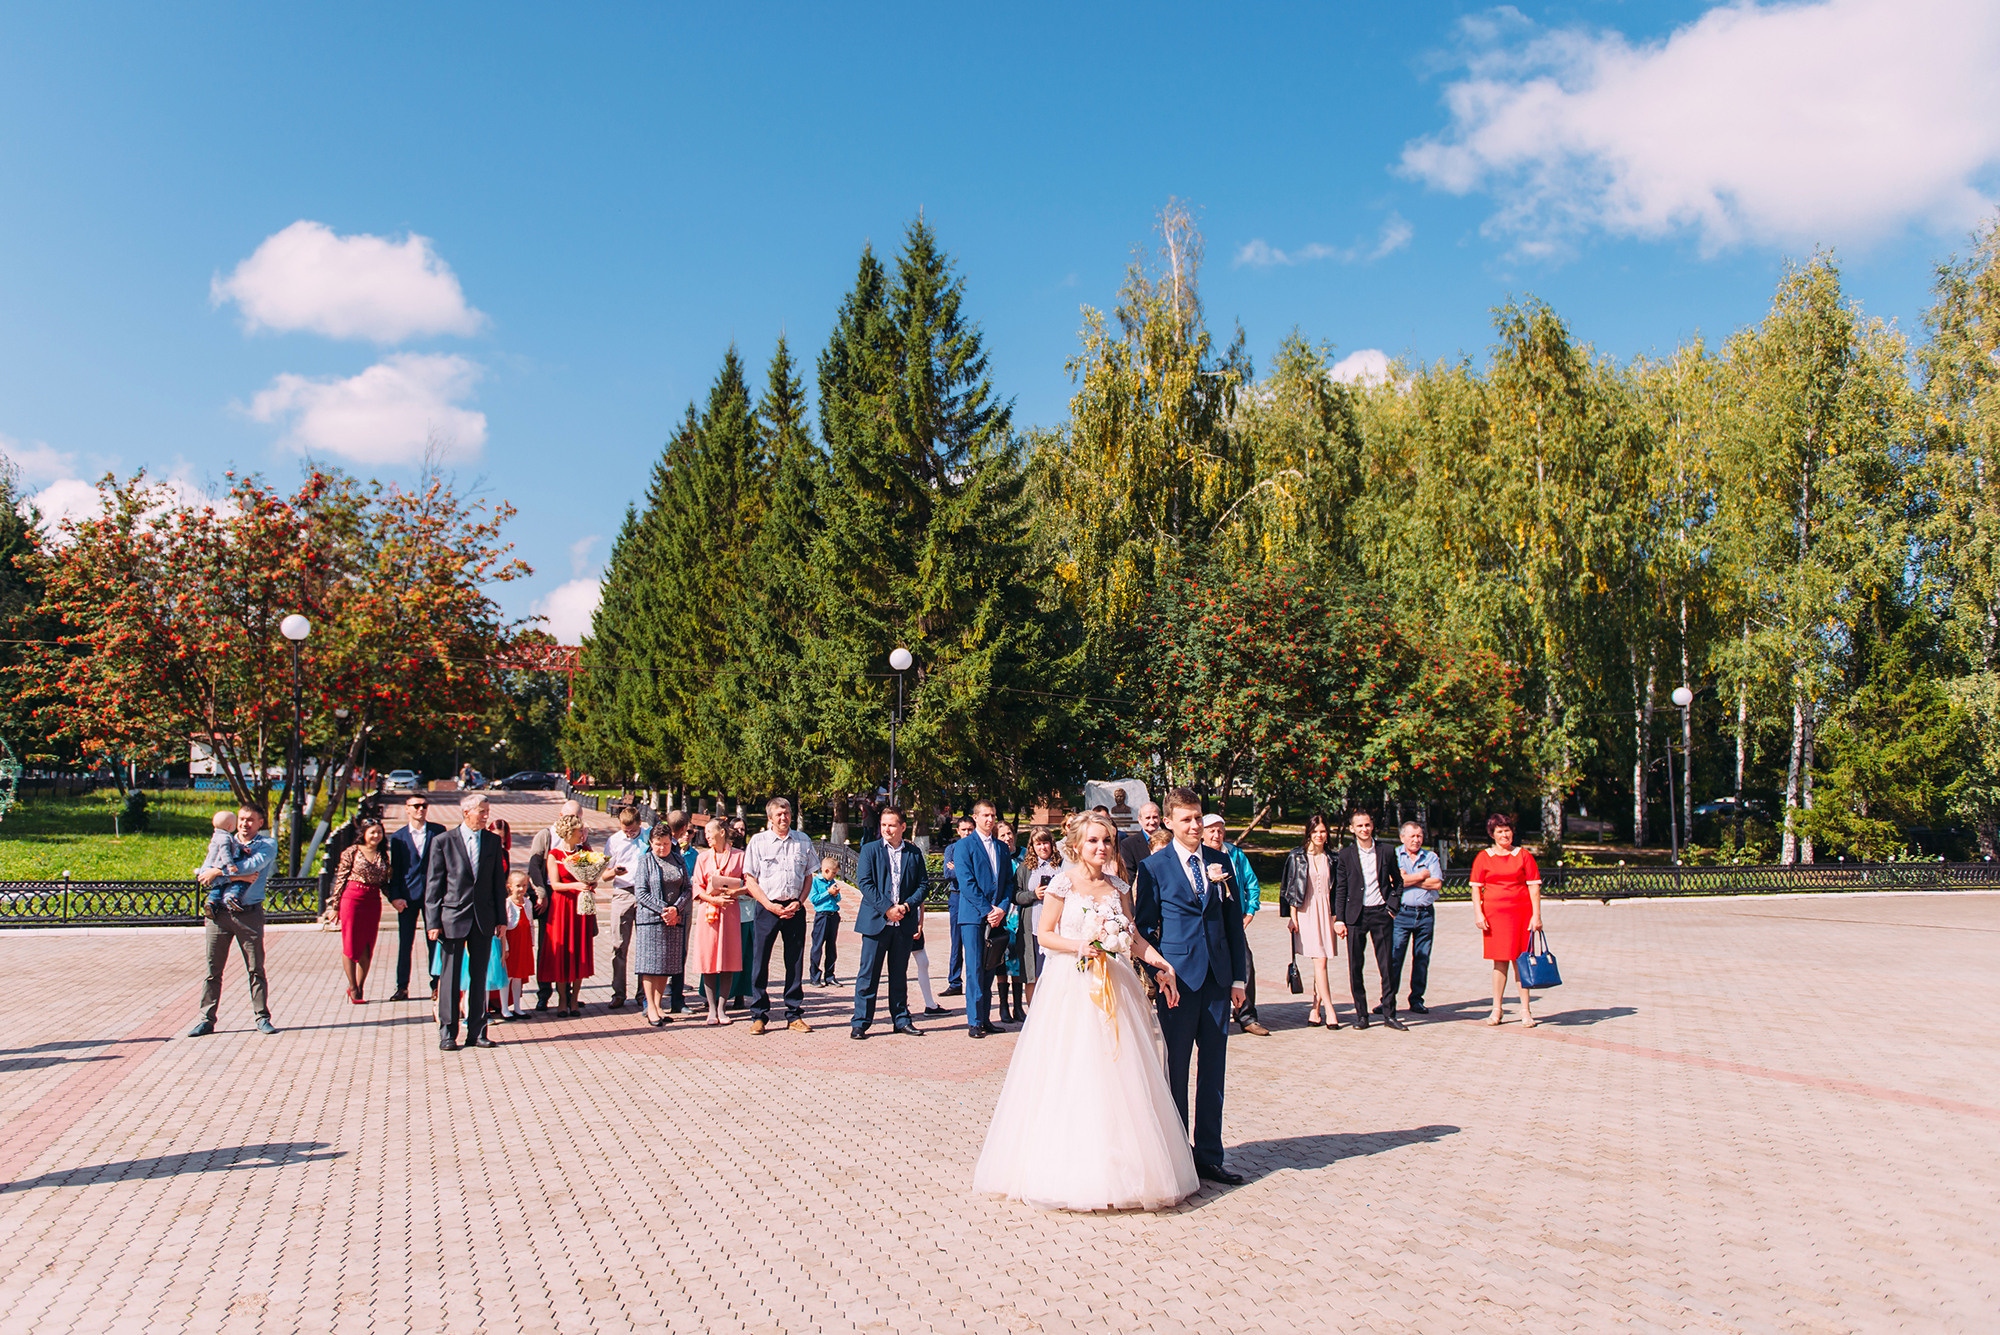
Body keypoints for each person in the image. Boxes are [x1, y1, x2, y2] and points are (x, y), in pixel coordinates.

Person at [974, 811, 1198, 1210]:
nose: (1101, 848)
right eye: (1094, 841)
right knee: (1075, 1071)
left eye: (1107, 841)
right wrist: (1079, 946)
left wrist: (1161, 963)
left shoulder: (1118, 886)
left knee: (1121, 1072)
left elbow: (1131, 936)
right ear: (1077, 846)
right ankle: (1071, 1170)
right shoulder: (1062, 883)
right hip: (1072, 986)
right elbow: (1043, 933)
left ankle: (1126, 1168)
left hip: (1116, 984)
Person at [1132, 790, 1250, 1186]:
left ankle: (1210, 1156)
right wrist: (1157, 976)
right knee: (1177, 1071)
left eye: (1198, 818)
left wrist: (1237, 978)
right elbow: (1145, 929)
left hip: (1217, 979)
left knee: (1213, 1070)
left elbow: (1233, 923)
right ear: (1168, 822)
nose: (1195, 826)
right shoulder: (1153, 868)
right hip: (1177, 982)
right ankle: (1178, 1155)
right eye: (1186, 820)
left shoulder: (1222, 862)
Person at [187, 803, 280, 1037]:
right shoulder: (223, 840)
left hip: (249, 913)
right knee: (213, 969)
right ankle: (206, 1020)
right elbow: (204, 870)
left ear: (260, 822)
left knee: (256, 967)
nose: (244, 824)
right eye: (241, 819)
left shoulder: (266, 845)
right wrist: (220, 872)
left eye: (250, 819)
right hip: (218, 915)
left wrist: (219, 873)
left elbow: (253, 866)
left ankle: (262, 1017)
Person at [426, 793, 508, 1050]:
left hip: (483, 918)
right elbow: (434, 885)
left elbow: (498, 883)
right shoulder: (443, 841)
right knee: (450, 977)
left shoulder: (493, 842)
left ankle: (477, 1031)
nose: (486, 816)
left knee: (479, 975)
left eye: (487, 811)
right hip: (452, 917)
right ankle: (448, 1033)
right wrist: (432, 922)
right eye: (482, 812)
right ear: (466, 813)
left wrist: (501, 919)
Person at [848, 806, 928, 1039]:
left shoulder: (913, 853)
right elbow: (865, 883)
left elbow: (923, 885)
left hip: (903, 923)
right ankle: (861, 1022)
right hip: (876, 923)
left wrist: (905, 907)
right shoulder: (870, 850)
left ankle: (901, 1019)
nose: (886, 829)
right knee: (868, 974)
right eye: (883, 824)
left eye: (891, 825)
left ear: (903, 827)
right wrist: (887, 909)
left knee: (899, 974)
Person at [743, 797, 817, 1035]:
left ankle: (794, 1014)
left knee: (794, 962)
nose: (783, 818)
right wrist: (768, 905)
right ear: (770, 818)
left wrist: (799, 901)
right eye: (778, 814)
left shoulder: (802, 841)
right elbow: (750, 879)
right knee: (760, 960)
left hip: (794, 908)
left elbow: (808, 876)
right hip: (767, 908)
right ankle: (759, 1014)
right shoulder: (758, 842)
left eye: (786, 813)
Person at [1334, 809, 1407, 1032]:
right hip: (1355, 916)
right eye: (1359, 826)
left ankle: (1389, 1014)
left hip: (1381, 914)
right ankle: (1361, 1015)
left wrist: (1392, 907)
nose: (1364, 829)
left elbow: (1398, 883)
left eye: (1367, 825)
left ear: (1372, 826)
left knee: (1387, 966)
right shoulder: (1346, 855)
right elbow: (1341, 888)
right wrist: (1340, 919)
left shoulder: (1386, 851)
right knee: (1356, 966)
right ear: (1352, 829)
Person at [1469, 813, 1544, 1027]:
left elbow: (1534, 886)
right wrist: (1479, 913)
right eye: (1500, 831)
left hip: (1521, 915)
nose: (1505, 834)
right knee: (1499, 962)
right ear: (1492, 834)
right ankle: (1497, 1009)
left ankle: (1526, 1011)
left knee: (1521, 961)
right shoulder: (1483, 857)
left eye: (1508, 830)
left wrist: (1536, 916)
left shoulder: (1524, 855)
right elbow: (1476, 888)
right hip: (1494, 917)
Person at [1202, 814, 1269, 1037]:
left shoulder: (1235, 855)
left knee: (1245, 964)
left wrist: (1250, 912)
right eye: (1211, 830)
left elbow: (1252, 884)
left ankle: (1247, 1015)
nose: (1216, 834)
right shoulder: (1197, 856)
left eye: (1220, 830)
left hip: (1233, 920)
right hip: (1209, 921)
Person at [953, 801, 1013, 1038]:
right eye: (985, 815)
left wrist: (1002, 908)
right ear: (976, 817)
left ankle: (987, 1018)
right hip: (973, 916)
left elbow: (1008, 882)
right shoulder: (964, 846)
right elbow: (966, 882)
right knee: (975, 968)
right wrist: (987, 909)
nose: (990, 819)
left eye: (993, 815)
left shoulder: (1000, 847)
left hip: (996, 916)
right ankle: (974, 1021)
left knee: (991, 967)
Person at [1280, 814, 1341, 1029]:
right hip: (1306, 912)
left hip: (1327, 913)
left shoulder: (1333, 858)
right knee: (1320, 961)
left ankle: (1315, 1010)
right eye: (1315, 831)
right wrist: (1292, 917)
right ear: (1309, 833)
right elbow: (1290, 888)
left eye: (1323, 831)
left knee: (1321, 963)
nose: (1319, 835)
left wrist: (1338, 918)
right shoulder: (1297, 856)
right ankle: (1330, 1011)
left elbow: (1338, 890)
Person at [631, 819, 692, 1026]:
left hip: (674, 921)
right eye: (658, 844)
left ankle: (659, 1005)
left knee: (666, 965)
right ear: (651, 843)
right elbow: (640, 893)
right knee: (650, 966)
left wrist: (676, 909)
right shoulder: (645, 861)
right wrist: (663, 910)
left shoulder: (678, 859)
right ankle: (651, 1008)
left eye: (665, 843)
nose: (662, 848)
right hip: (651, 921)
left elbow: (687, 888)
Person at [526, 798, 584, 1011]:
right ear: (561, 817)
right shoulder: (547, 836)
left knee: (573, 946)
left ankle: (570, 994)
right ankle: (544, 993)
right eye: (572, 818)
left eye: (579, 818)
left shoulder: (580, 839)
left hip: (576, 898)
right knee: (549, 946)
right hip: (551, 895)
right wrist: (541, 893)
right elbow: (534, 865)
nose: (576, 821)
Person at [539, 812, 598, 1017]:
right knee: (563, 951)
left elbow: (594, 875)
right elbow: (554, 884)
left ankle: (575, 999)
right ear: (569, 832)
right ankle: (562, 998)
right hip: (562, 905)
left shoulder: (585, 851)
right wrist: (577, 884)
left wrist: (592, 882)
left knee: (579, 949)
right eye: (578, 830)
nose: (582, 834)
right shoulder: (554, 854)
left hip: (580, 907)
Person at [388, 796, 446, 1001]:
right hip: (407, 897)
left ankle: (437, 984)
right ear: (407, 809)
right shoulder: (398, 837)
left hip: (433, 896)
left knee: (435, 942)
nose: (421, 809)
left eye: (424, 806)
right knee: (405, 943)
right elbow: (395, 870)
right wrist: (394, 897)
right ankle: (402, 986)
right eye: (416, 806)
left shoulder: (438, 831)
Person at [690, 817, 746, 1025]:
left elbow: (749, 884)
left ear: (722, 832)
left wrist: (734, 891)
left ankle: (723, 1008)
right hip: (709, 913)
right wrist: (712, 898)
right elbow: (696, 886)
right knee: (709, 960)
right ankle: (711, 1008)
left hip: (730, 912)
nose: (706, 836)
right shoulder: (703, 858)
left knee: (728, 960)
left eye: (709, 832)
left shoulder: (740, 857)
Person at [333, 818, 393, 1004]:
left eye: (379, 832)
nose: (376, 836)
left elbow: (384, 882)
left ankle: (360, 985)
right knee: (350, 942)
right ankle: (352, 986)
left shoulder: (383, 855)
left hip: (372, 901)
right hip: (352, 898)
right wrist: (335, 906)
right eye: (372, 832)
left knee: (368, 945)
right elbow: (341, 878)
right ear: (364, 834)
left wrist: (394, 899)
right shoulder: (352, 852)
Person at [1390, 821, 1444, 1016]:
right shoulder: (1394, 855)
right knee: (1394, 958)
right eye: (1412, 836)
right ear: (1402, 837)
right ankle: (1388, 1000)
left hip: (1425, 914)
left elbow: (1436, 883)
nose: (1416, 840)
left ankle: (1417, 999)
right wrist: (1422, 875)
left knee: (1421, 958)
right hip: (1400, 914)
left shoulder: (1431, 856)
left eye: (1419, 836)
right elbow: (1394, 881)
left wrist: (1407, 879)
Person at [1012, 828, 1062, 1008]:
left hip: (1058, 930)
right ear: (1032, 846)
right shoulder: (1025, 868)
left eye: (1045, 842)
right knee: (1032, 975)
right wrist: (1034, 894)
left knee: (1056, 975)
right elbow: (1015, 895)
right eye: (1038, 843)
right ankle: (1033, 1015)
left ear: (1051, 844)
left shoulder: (1061, 866)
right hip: (1033, 928)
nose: (1042, 847)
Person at [603, 805, 645, 1010]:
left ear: (639, 824)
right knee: (619, 944)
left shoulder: (648, 836)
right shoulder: (614, 840)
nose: (629, 834)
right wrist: (615, 872)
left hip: (645, 892)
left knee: (645, 944)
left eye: (633, 831)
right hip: (622, 891)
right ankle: (618, 992)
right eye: (625, 830)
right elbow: (604, 874)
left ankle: (643, 993)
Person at [941, 814, 975, 997]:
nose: (967, 833)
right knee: (956, 941)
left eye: (970, 829)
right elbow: (948, 873)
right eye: (964, 830)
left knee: (973, 942)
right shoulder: (951, 849)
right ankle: (954, 981)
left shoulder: (978, 848)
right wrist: (966, 870)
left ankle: (974, 981)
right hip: (957, 898)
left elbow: (979, 873)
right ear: (958, 831)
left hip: (973, 899)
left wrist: (959, 869)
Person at [807, 856, 851, 986]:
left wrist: (835, 894)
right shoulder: (815, 882)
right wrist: (828, 893)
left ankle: (830, 975)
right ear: (826, 871)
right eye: (834, 873)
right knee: (817, 946)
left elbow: (837, 900)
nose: (834, 876)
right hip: (822, 915)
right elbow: (814, 899)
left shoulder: (832, 882)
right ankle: (815, 976)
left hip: (833, 915)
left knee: (831, 947)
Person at [500, 872, 536, 1018]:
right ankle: (504, 1008)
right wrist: (506, 948)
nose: (521, 889)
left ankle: (517, 1007)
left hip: (524, 943)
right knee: (507, 976)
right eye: (518, 886)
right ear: (510, 887)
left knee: (518, 977)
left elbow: (531, 924)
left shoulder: (527, 903)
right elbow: (504, 928)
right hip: (512, 943)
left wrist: (532, 942)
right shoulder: (507, 904)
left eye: (524, 885)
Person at [195, 810, 240, 917]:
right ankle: (213, 902)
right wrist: (230, 865)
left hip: (211, 865)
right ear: (230, 827)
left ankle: (212, 903)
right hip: (218, 866)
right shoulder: (225, 838)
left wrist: (242, 848)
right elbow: (225, 853)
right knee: (220, 886)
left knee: (219, 887)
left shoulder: (217, 835)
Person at [1117, 802, 1162, 879]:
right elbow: (1129, 876)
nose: (1152, 822)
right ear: (1140, 820)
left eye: (1155, 817)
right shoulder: (1128, 844)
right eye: (1148, 818)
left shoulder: (1170, 841)